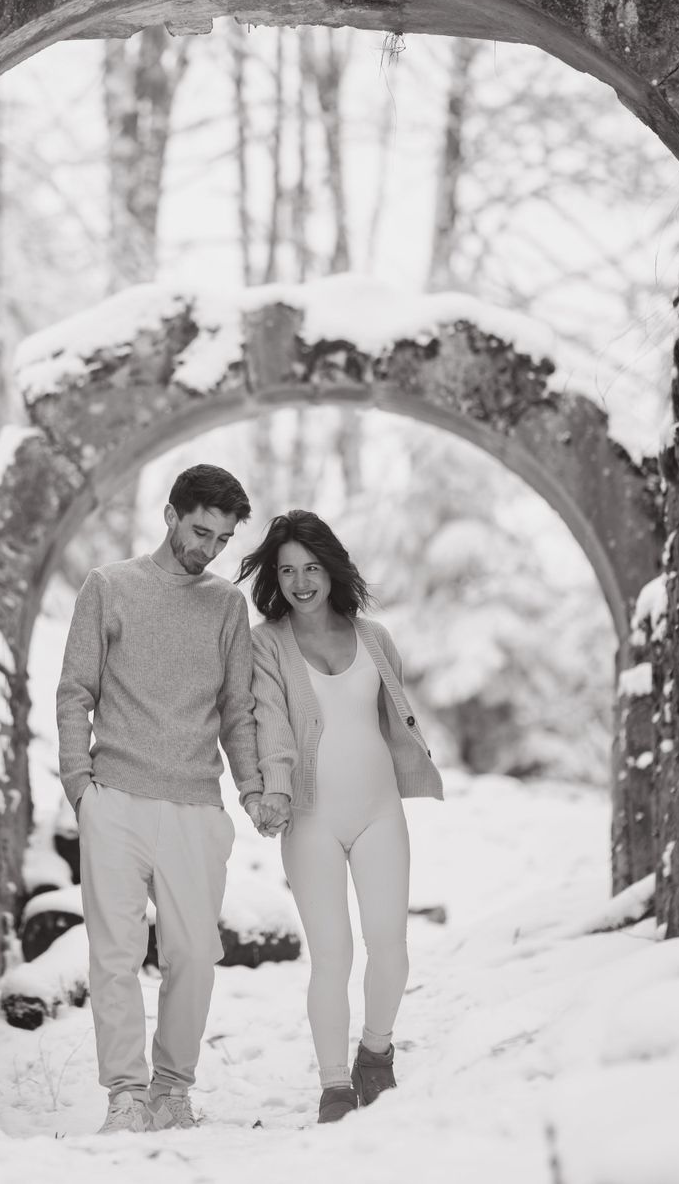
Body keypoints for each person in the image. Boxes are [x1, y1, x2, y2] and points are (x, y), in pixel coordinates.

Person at [56, 464, 285, 1134]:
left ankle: (172, 1092)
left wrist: (251, 790)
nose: (207, 548)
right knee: (115, 957)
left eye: (220, 539)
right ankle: (125, 1095)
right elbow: (76, 692)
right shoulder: (110, 587)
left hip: (195, 806)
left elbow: (237, 711)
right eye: (199, 530)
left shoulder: (225, 606)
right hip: (116, 799)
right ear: (171, 514)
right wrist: (81, 790)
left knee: (194, 956)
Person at [238, 510, 443, 1124]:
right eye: (287, 570)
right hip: (310, 818)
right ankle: (333, 1086)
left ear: (332, 569)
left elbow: (392, 716)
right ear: (275, 578)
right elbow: (268, 720)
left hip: (379, 810)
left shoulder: (374, 639)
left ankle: (375, 1054)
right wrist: (270, 791)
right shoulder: (265, 643)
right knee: (332, 956)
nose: (301, 581)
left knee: (392, 948)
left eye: (311, 568)